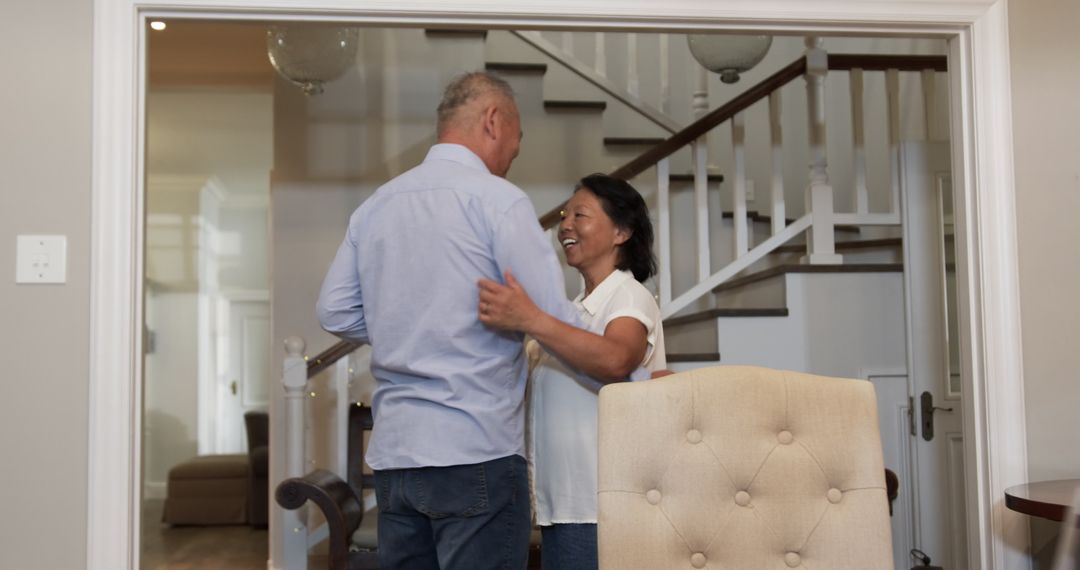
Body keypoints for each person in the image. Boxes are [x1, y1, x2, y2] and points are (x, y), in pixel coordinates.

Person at [316, 71, 581, 570]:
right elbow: (549, 316)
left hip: (396, 458)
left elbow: (332, 309)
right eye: (515, 144)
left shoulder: (377, 205)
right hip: (475, 447)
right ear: (494, 120)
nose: (510, 158)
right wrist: (626, 367)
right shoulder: (498, 200)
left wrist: (407, 323)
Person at [478, 173, 667, 570]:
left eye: (580, 214)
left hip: (601, 505)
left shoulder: (629, 296)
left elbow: (617, 359)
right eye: (565, 215)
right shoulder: (575, 310)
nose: (565, 224)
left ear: (622, 231)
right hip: (561, 505)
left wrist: (531, 319)